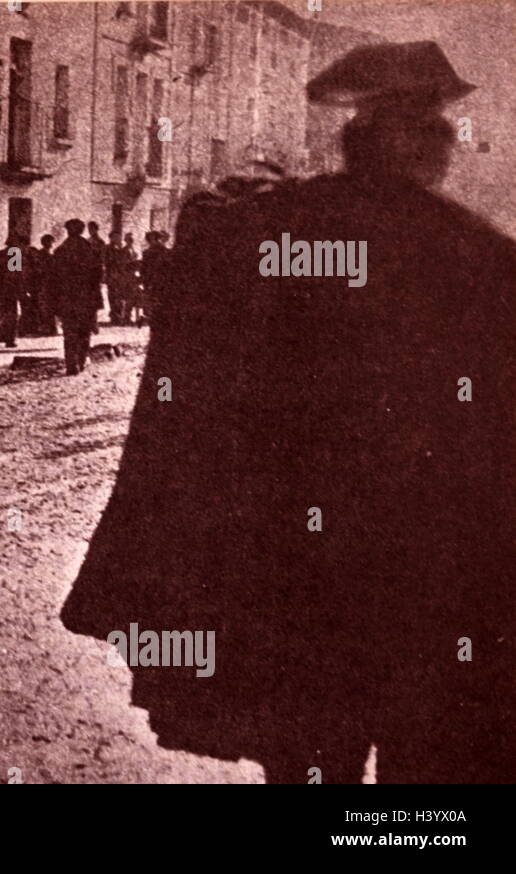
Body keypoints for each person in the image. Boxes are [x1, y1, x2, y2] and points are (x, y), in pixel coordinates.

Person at [61, 41, 516, 783]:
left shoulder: (264, 235)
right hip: (435, 576)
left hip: (293, 565)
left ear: (352, 143)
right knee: (424, 772)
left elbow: (199, 391)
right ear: (433, 149)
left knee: (306, 754)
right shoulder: (481, 258)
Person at [49, 219, 105, 375]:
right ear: (82, 231)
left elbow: (53, 278)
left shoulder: (60, 251)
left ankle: (71, 364)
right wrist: (96, 299)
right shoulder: (91, 250)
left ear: (68, 231)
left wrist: (54, 300)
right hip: (86, 298)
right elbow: (98, 275)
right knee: (84, 331)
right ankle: (81, 360)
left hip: (67, 298)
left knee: (69, 332)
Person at [0, 234, 30, 347]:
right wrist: (20, 290)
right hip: (8, 289)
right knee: (12, 314)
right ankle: (9, 339)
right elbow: (13, 275)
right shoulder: (14, 253)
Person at [136, 230, 171, 326]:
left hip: (161, 280)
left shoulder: (165, 252)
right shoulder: (147, 253)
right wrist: (143, 279)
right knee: (152, 300)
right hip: (151, 281)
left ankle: (150, 319)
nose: (152, 241)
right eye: (150, 240)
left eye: (154, 239)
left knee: (158, 300)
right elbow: (143, 268)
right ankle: (149, 318)